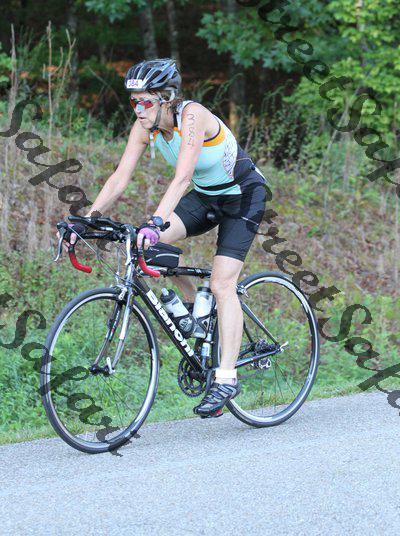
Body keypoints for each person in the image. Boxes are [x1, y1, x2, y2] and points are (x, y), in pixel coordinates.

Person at [67, 58, 267, 417]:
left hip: (243, 195)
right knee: (147, 246)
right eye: (133, 102)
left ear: (166, 98)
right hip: (206, 197)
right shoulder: (145, 127)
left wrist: (156, 220)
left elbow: (182, 177)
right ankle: (194, 312)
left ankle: (226, 377)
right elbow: (119, 178)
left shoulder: (192, 116)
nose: (138, 109)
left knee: (222, 284)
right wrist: (87, 219)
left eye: (145, 101)